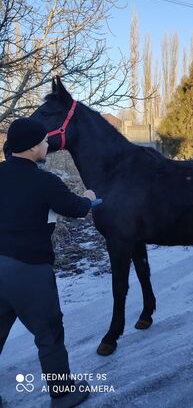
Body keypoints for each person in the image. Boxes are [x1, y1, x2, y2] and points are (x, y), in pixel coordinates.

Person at [0, 118, 97, 408]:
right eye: (43, 141)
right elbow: (76, 209)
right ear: (31, 147)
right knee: (49, 332)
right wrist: (89, 197)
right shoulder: (44, 181)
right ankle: (63, 394)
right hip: (28, 269)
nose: (47, 145)